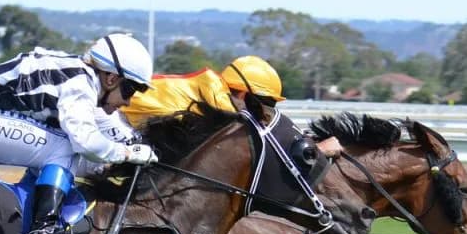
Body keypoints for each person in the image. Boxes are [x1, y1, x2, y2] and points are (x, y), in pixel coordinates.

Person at [0, 33, 160, 234]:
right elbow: (86, 142)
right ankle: (44, 226)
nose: (128, 102)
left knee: (66, 151)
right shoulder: (81, 84)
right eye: (130, 90)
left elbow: (107, 137)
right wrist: (128, 153)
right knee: (65, 147)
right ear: (111, 78)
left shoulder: (83, 77)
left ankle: (28, 210)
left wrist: (135, 149)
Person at [99, 55, 341, 157]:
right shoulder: (219, 103)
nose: (265, 113)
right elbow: (264, 147)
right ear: (242, 93)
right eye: (264, 105)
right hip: (107, 121)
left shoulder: (219, 90)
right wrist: (317, 149)